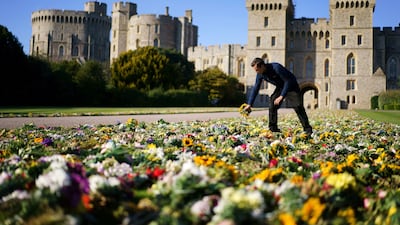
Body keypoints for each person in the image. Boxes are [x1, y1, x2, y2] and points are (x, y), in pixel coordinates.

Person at [244, 57, 313, 135]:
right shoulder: (260, 74)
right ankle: (273, 129)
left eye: (257, 70)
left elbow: (288, 81)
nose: (256, 72)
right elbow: (256, 88)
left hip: (291, 85)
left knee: (298, 107)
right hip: (280, 87)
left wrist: (281, 96)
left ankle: (308, 129)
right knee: (272, 105)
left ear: (262, 66)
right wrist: (249, 104)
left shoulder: (276, 67)